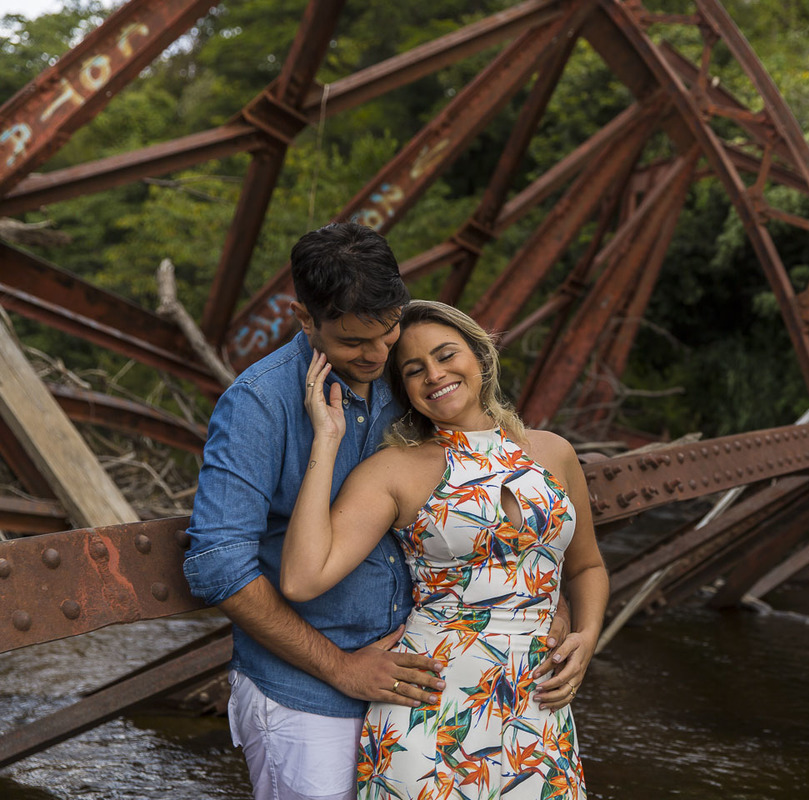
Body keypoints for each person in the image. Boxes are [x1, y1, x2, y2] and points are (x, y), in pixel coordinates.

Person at [183, 223, 569, 800]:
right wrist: (341, 668)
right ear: (304, 318)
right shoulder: (258, 404)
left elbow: (492, 496)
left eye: (388, 332)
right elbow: (218, 565)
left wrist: (551, 605)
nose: (377, 354)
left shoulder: (404, 372)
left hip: (418, 686)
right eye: (353, 342)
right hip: (307, 694)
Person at [279, 300, 608, 799]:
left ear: (480, 355)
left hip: (539, 708)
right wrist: (326, 441)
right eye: (414, 370)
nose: (434, 375)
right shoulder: (395, 470)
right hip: (431, 711)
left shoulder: (553, 452)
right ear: (404, 389)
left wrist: (587, 636)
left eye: (446, 355)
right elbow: (302, 578)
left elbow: (586, 566)